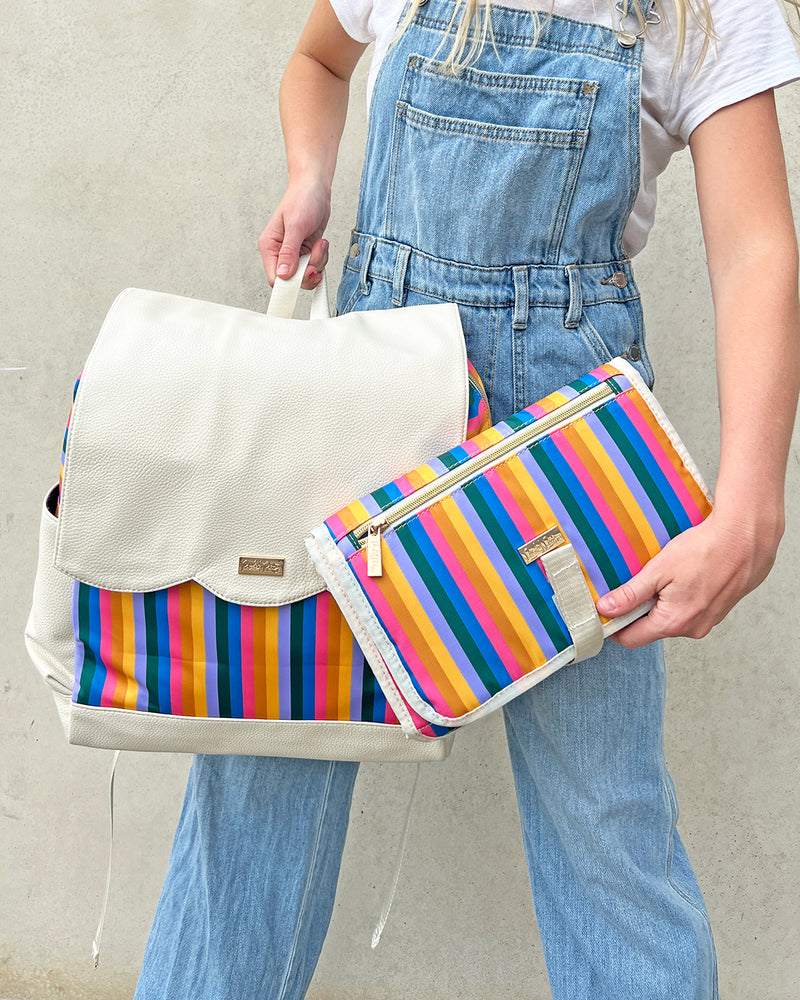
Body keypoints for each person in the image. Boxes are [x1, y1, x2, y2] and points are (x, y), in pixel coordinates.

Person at [134, 2, 800, 998]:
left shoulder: (703, 10)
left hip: (566, 444)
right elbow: (318, 60)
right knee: (261, 780)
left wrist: (749, 506)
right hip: (362, 407)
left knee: (603, 822)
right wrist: (309, 178)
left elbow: (755, 249)